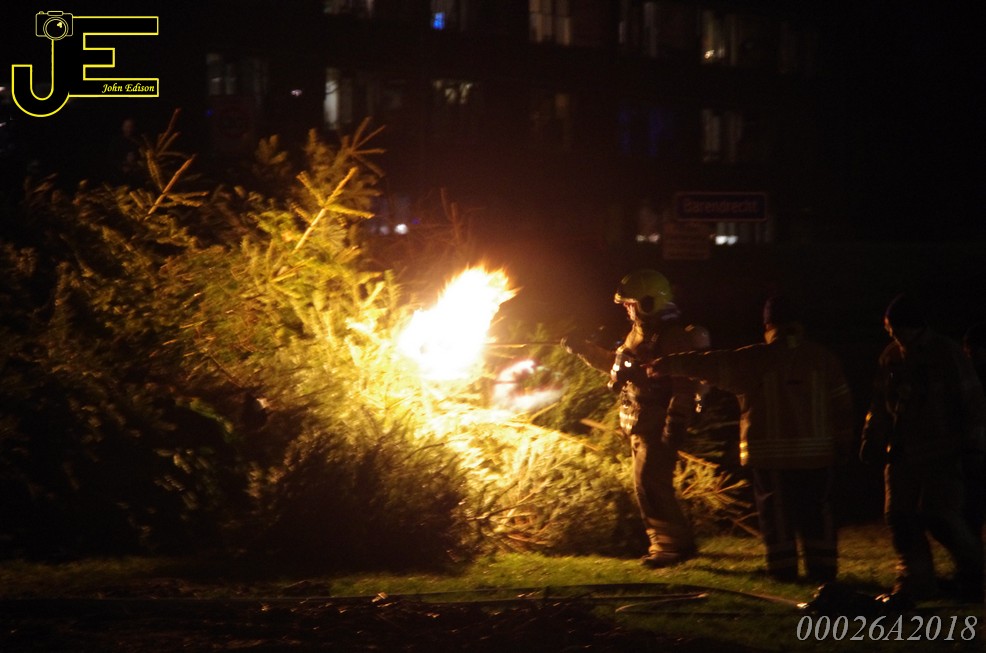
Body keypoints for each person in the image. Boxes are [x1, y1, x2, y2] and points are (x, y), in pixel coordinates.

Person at [647, 294, 854, 583]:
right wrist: (844, 442)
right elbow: (843, 406)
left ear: (768, 325)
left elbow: (708, 364)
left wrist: (666, 364)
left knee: (777, 516)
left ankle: (782, 571)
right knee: (817, 513)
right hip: (817, 457)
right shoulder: (823, 359)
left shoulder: (754, 359)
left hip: (769, 459)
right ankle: (823, 571)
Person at [566, 269, 709, 567]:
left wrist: (674, 425)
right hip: (641, 423)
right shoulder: (638, 333)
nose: (626, 309)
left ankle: (668, 548)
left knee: (651, 483)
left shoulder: (671, 337)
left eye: (630, 303)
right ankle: (675, 544)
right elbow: (617, 364)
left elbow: (684, 385)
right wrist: (583, 349)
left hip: (658, 423)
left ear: (648, 302)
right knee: (647, 484)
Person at [859, 294, 985, 606]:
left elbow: (971, 402)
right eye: (890, 329)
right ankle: (915, 581)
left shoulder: (947, 354)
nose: (894, 335)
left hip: (944, 452)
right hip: (902, 453)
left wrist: (973, 446)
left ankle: (975, 574)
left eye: (896, 328)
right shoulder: (891, 357)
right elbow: (880, 404)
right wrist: (871, 438)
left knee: (940, 517)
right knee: (899, 517)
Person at [961, 323, 986, 551]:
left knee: (972, 509)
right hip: (975, 449)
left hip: (975, 449)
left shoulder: (970, 376)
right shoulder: (970, 375)